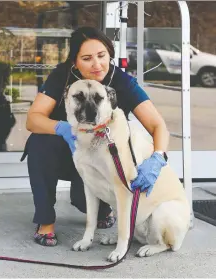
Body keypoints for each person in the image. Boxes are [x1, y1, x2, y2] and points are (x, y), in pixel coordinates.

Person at [22, 26, 169, 247]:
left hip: (103, 160)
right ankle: (45, 222)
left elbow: (158, 125)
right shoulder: (62, 77)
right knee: (39, 143)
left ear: (110, 53)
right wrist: (64, 129)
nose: (97, 64)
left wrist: (157, 158)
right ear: (74, 62)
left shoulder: (121, 82)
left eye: (102, 56)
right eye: (87, 58)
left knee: (82, 202)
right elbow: (32, 119)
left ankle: (103, 211)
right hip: (69, 151)